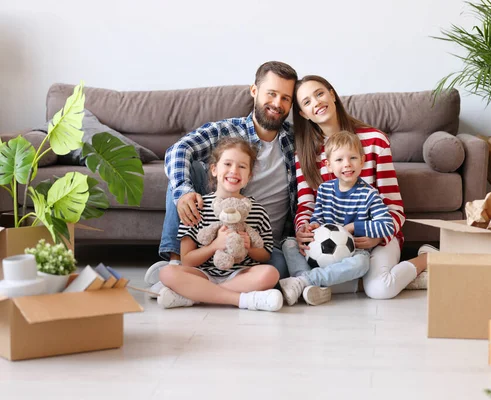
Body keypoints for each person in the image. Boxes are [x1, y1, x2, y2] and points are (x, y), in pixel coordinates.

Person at [144, 61, 298, 287]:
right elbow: (179, 149)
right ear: (254, 91)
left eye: (285, 98)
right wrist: (183, 191)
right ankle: (176, 263)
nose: (277, 103)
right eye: (271, 94)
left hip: (260, 246)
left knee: (278, 272)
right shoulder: (226, 130)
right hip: (216, 231)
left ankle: (195, 286)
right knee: (188, 169)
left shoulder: (297, 140)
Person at [282, 75, 428, 301]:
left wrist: (376, 238)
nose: (317, 102)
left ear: (332, 94)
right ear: (303, 114)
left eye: (320, 94)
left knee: (380, 290)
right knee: (295, 250)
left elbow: (394, 208)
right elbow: (307, 204)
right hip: (332, 242)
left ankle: (426, 259)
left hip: (374, 237)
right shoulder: (305, 153)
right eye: (307, 102)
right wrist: (304, 229)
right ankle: (325, 282)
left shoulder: (375, 141)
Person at [155, 137, 283, 311]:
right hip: (203, 275)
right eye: (228, 164)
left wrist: (250, 247)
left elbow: (265, 254)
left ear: (249, 176)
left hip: (239, 275)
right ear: (214, 169)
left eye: (242, 166)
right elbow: (186, 260)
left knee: (270, 273)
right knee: (167, 272)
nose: (234, 171)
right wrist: (214, 245)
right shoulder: (197, 207)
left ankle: (195, 296)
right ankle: (242, 300)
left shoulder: (257, 210)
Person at [279, 131, 396, 306]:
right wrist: (312, 227)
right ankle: (311, 288)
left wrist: (352, 227)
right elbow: (317, 216)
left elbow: (387, 226)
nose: (347, 164)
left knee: (362, 263)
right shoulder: (324, 190)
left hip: (352, 251)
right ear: (329, 165)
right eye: (339, 160)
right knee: (288, 244)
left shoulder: (369, 194)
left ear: (362, 161)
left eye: (353, 158)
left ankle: (304, 281)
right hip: (322, 249)